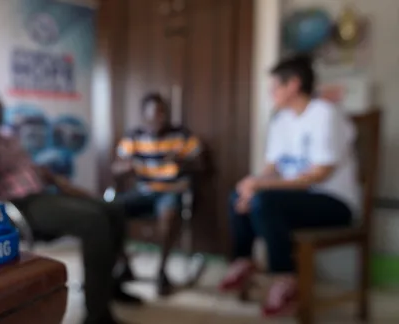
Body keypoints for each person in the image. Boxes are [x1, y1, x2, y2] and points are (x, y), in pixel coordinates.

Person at [0, 85, 142, 324]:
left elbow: (31, 169)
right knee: (94, 221)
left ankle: (111, 287)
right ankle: (97, 316)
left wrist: (63, 184)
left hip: (42, 194)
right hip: (15, 205)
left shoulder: (9, 135)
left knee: (114, 208)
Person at [218, 55, 360, 316]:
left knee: (265, 201)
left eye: (274, 87)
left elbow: (319, 174)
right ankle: (244, 260)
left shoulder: (325, 114)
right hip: (295, 199)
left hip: (333, 201)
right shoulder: (281, 120)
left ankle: (286, 279)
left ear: (293, 85)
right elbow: (273, 167)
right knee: (241, 193)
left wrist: (264, 188)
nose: (271, 93)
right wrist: (255, 184)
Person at [112, 93, 202, 296]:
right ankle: (124, 265)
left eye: (161, 113)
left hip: (172, 191)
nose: (157, 119)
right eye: (152, 115)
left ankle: (162, 270)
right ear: (144, 116)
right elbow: (116, 167)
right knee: (110, 210)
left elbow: (200, 165)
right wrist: (125, 167)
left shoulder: (181, 135)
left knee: (168, 213)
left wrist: (181, 161)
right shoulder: (133, 137)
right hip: (143, 191)